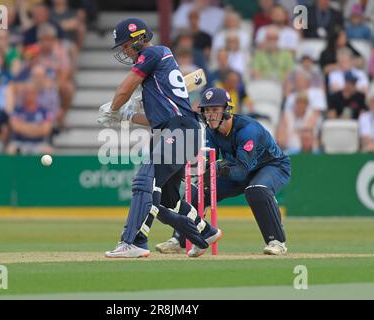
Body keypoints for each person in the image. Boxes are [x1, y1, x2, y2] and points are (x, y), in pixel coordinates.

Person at [99, 18, 222, 258]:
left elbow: (124, 89)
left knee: (145, 179)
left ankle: (132, 241)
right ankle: (204, 231)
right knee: (168, 200)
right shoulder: (157, 74)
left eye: (125, 44)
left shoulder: (154, 53)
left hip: (179, 130)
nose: (124, 50)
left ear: (140, 39)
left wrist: (113, 108)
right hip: (175, 129)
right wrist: (126, 115)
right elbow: (156, 118)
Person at [156, 87, 290, 256]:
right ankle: (181, 240)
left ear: (227, 110)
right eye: (206, 110)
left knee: (256, 189)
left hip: (272, 166)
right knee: (196, 191)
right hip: (236, 168)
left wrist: (218, 167)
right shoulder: (212, 131)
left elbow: (241, 171)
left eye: (215, 110)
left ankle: (277, 241)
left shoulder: (248, 131)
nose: (210, 114)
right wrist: (195, 169)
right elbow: (207, 160)